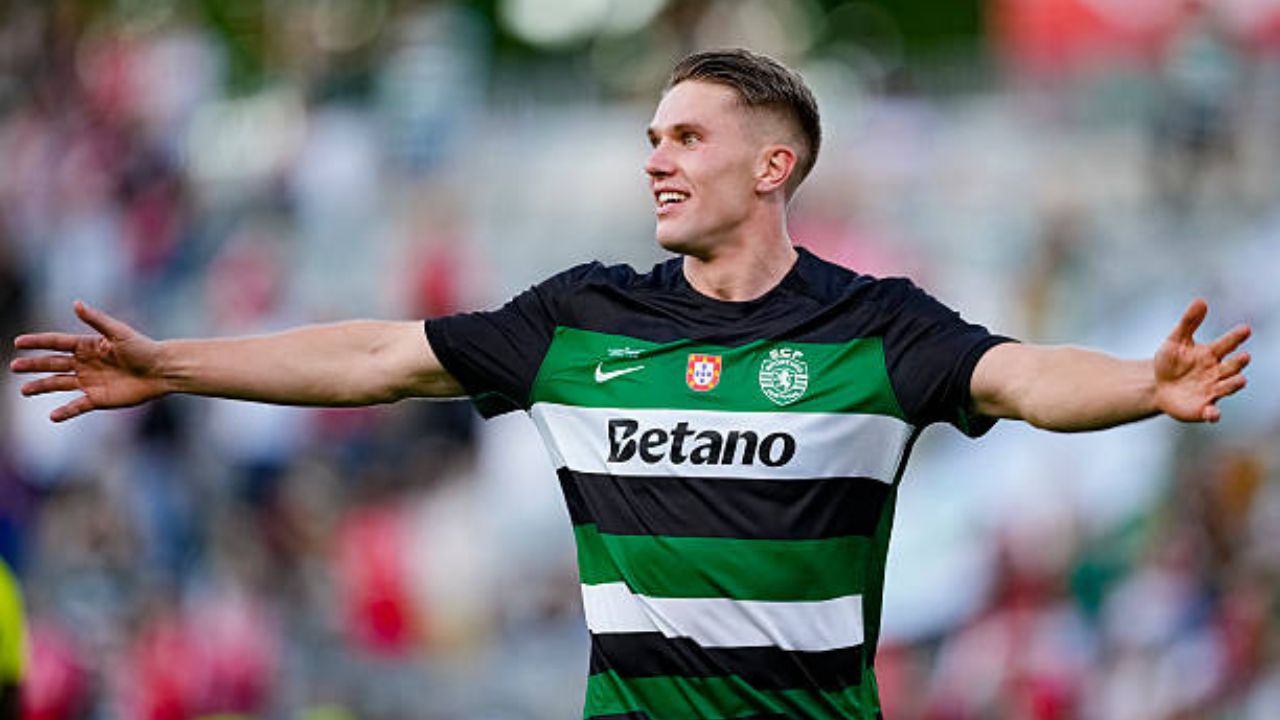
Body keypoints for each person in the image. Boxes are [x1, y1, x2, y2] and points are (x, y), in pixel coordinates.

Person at [10, 49, 1251, 719]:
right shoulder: (579, 319)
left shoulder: (874, 328)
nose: (654, 158)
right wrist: (172, 363)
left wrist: (1146, 385)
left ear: (775, 164)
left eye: (685, 137)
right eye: (650, 136)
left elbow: (1028, 379)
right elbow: (375, 359)